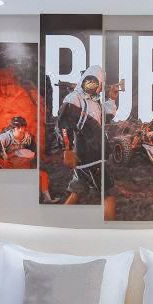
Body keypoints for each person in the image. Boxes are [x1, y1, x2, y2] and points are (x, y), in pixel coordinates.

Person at [57, 65, 116, 218]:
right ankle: (111, 228)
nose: (100, 88)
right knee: (108, 195)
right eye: (100, 84)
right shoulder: (75, 98)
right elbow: (63, 123)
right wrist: (66, 149)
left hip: (91, 156)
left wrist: (112, 98)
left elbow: (106, 116)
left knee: (77, 192)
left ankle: (60, 221)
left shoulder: (93, 102)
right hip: (91, 157)